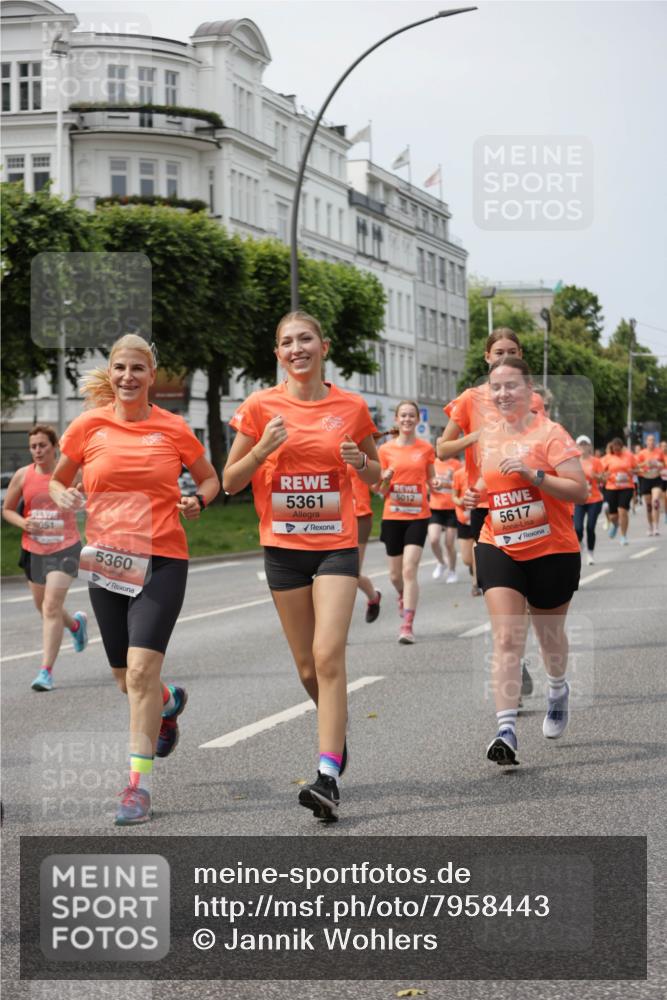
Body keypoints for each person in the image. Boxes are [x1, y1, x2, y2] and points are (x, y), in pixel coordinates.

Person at [49, 335, 219, 825]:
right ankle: (168, 704)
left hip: (162, 559)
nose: (128, 377)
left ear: (152, 374)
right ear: (112, 372)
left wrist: (198, 501)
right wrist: (62, 495)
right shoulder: (88, 426)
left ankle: (137, 788)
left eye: (137, 369)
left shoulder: (173, 428)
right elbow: (61, 477)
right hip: (107, 562)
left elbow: (209, 478)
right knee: (127, 680)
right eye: (120, 368)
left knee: (142, 671)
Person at [223, 311, 380, 823]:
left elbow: (379, 475)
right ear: (278, 353)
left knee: (328, 652)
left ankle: (327, 775)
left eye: (305, 339)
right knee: (308, 668)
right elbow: (229, 482)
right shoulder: (260, 407)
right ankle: (336, 733)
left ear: (323, 346)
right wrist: (263, 448)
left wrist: (361, 465)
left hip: (336, 545)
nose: (297, 348)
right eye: (287, 342)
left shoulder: (351, 407)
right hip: (284, 549)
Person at [464, 357, 587, 765]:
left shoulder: (552, 434)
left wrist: (535, 475)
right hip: (499, 544)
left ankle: (557, 688)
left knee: (550, 638)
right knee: (505, 636)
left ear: (529, 388)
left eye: (511, 386)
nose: (502, 394)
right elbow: (490, 482)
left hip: (552, 549)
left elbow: (578, 491)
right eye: (495, 388)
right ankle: (506, 730)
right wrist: (474, 495)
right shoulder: (487, 437)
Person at [438, 328, 544, 693]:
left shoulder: (532, 399)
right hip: (485, 504)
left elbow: (542, 441)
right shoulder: (470, 399)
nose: (503, 357)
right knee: (497, 592)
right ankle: (512, 658)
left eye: (511, 351)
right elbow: (442, 448)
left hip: (525, 502)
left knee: (527, 595)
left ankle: (516, 655)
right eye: (497, 352)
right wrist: (476, 437)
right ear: (487, 357)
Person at [2, 424, 88, 691]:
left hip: (66, 548)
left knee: (50, 607)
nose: (37, 451)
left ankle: (45, 672)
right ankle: (75, 625)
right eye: (33, 446)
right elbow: (7, 510)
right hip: (33, 550)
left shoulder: (71, 475)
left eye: (42, 446)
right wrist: (23, 523)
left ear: (55, 448)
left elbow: (90, 500)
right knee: (43, 607)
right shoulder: (22, 476)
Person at [377, 401, 436, 644]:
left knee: (410, 569)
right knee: (394, 575)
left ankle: (407, 625)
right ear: (396, 419)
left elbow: (432, 481)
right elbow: (378, 489)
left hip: (417, 517)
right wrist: (386, 480)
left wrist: (439, 486)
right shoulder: (385, 451)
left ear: (417, 420)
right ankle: (402, 595)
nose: (407, 419)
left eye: (412, 416)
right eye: (403, 415)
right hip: (393, 516)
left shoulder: (426, 449)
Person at [350, 465, 382, 622]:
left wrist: (386, 479)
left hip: (360, 516)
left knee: (350, 572)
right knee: (332, 574)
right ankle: (374, 596)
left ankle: (373, 597)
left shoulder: (357, 453)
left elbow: (377, 487)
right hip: (331, 517)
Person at [428, 453, 461, 583]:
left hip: (452, 509)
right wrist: (432, 485)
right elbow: (426, 481)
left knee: (449, 543)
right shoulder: (432, 463)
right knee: (433, 539)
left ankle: (452, 571)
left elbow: (461, 483)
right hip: (435, 507)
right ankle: (441, 562)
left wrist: (447, 484)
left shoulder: (456, 464)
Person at [573, 435, 605, 564]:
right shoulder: (573, 462)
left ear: (589, 447)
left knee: (590, 527)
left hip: (594, 499)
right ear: (576, 447)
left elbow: (603, 479)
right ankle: (580, 542)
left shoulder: (596, 461)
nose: (583, 447)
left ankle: (590, 553)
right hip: (578, 500)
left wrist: (595, 476)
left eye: (585, 444)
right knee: (578, 528)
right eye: (581, 444)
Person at [601, 438, 637, 545]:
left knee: (623, 511)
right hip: (612, 487)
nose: (616, 450)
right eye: (614, 448)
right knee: (613, 516)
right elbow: (600, 472)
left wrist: (632, 471)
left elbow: (637, 468)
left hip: (626, 487)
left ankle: (623, 536)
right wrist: (605, 475)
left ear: (622, 447)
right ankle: (615, 524)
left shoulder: (629, 456)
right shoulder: (607, 458)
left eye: (618, 448)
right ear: (611, 448)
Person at [451, 463, 478, 594]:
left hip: (480, 517)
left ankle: (475, 584)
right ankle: (473, 568)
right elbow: (454, 497)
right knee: (467, 559)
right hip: (464, 519)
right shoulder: (458, 474)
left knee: (477, 552)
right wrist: (460, 501)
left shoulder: (483, 472)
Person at [636, 433, 665, 536]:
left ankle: (656, 526)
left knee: (655, 502)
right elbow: (636, 466)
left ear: (655, 442)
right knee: (648, 506)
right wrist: (645, 464)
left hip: (656, 479)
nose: (651, 442)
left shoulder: (659, 452)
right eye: (649, 440)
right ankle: (650, 526)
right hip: (645, 479)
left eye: (653, 440)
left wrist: (657, 464)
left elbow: (663, 464)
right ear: (646, 442)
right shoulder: (642, 453)